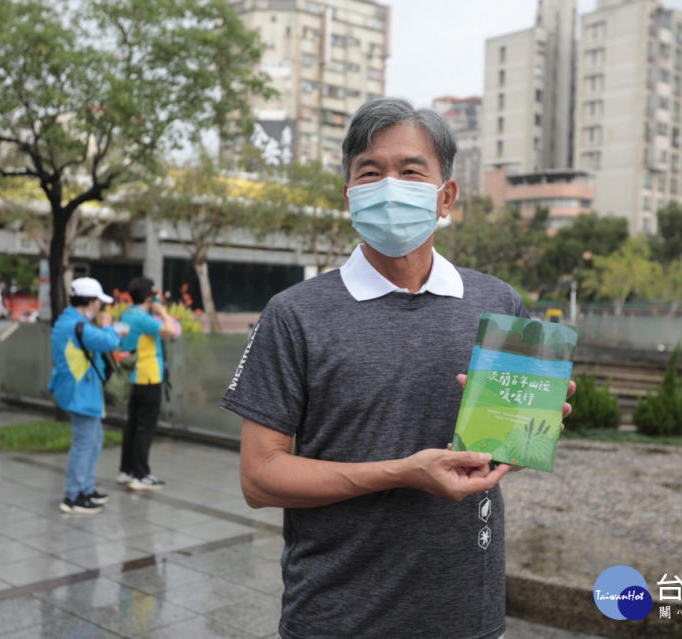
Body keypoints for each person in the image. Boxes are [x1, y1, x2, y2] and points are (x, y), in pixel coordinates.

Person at [220, 98, 574, 639]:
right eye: (371, 171)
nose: (390, 185)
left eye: (411, 170)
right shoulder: (294, 315)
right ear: (350, 195)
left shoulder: (498, 304)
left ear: (445, 195)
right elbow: (259, 477)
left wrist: (527, 433)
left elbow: (500, 453)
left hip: (468, 617)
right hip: (336, 618)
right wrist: (401, 472)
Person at [48, 277, 126, 514]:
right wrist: (110, 325)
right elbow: (108, 341)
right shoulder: (77, 325)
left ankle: (86, 489)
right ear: (90, 302)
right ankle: (73, 496)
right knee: (84, 444)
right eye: (99, 302)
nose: (101, 307)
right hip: (81, 392)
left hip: (79, 390)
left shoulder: (69, 321)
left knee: (94, 440)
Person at [116, 276, 176, 491]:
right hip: (149, 376)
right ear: (149, 296)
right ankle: (141, 475)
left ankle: (126, 470)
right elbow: (171, 331)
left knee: (132, 425)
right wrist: (162, 312)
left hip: (134, 376)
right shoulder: (144, 318)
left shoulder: (127, 314)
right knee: (145, 428)